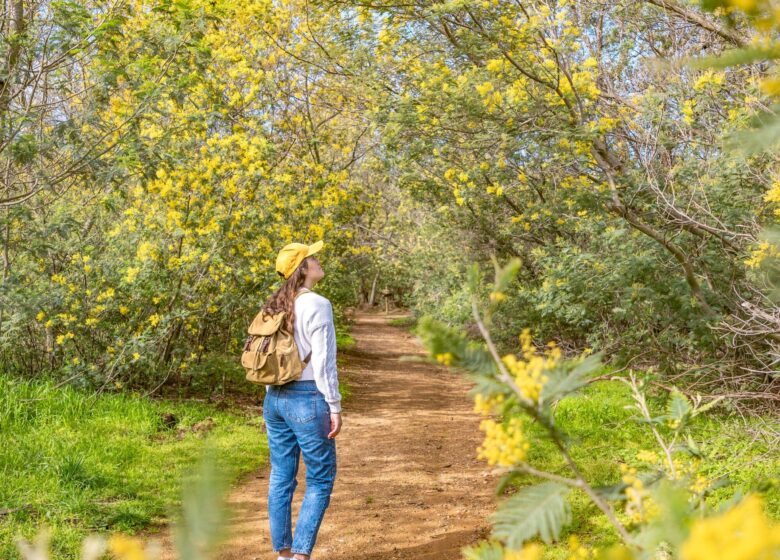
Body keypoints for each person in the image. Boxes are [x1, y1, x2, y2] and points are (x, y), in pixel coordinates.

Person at [260, 239, 343, 560]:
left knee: (281, 476)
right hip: (307, 398)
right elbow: (323, 363)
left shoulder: (273, 305)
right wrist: (334, 406)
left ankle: (283, 554)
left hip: (275, 398)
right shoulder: (318, 304)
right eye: (312, 257)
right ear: (303, 269)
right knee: (320, 479)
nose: (319, 260)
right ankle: (300, 555)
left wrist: (270, 403)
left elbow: (267, 360)